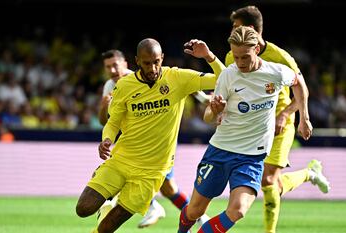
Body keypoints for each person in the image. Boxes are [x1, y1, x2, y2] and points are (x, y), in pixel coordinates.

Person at [76, 38, 225, 233]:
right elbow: (113, 122)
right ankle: (109, 203)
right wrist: (107, 139)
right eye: (147, 63)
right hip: (121, 160)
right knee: (83, 208)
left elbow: (223, 77)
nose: (153, 68)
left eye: (156, 61)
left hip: (152, 172)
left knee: (107, 228)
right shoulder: (124, 85)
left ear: (162, 58)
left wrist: (208, 56)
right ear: (137, 61)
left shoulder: (178, 78)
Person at [177, 26, 312, 233]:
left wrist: (304, 118)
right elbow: (208, 117)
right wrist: (214, 110)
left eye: (244, 57)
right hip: (220, 151)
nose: (239, 63)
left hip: (252, 156)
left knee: (238, 210)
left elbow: (298, 82)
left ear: (256, 49)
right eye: (235, 57)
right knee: (194, 211)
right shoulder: (228, 76)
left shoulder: (275, 72)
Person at [225, 6, 331, 233]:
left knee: (268, 179)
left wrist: (294, 116)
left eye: (236, 26)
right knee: (271, 183)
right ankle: (309, 173)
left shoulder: (280, 57)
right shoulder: (231, 56)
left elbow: (302, 90)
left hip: (280, 126)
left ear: (250, 29)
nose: (232, 31)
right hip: (251, 128)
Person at [97, 50, 210, 229]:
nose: (112, 70)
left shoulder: (136, 79)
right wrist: (103, 108)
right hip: (133, 145)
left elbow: (186, 83)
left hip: (156, 146)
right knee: (168, 189)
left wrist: (204, 99)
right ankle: (196, 217)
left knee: (162, 187)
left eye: (115, 65)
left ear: (125, 64)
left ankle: (157, 208)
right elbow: (106, 121)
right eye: (108, 67)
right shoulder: (109, 86)